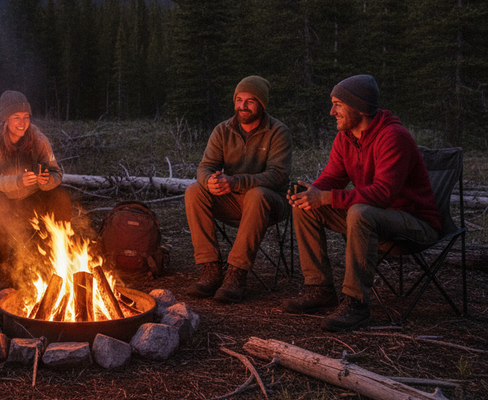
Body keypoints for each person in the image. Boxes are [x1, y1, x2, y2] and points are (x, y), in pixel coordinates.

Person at [284, 75, 441, 332]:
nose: (332, 112)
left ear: (359, 107)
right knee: (306, 208)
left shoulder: (393, 136)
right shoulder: (345, 138)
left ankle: (356, 304)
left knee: (359, 212)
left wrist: (326, 197)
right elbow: (333, 177)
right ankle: (319, 288)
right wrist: (312, 193)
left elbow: (383, 194)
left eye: (338, 105)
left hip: (415, 223)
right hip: (376, 219)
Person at [184, 76, 292, 303]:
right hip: (234, 201)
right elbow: (206, 166)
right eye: (239, 100)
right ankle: (210, 269)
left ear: (262, 104)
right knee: (194, 191)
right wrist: (209, 181)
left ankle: (236, 274)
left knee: (257, 194)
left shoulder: (278, 132)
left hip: (271, 203)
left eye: (250, 101)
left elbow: (278, 175)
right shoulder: (223, 130)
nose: (243, 106)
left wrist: (236, 182)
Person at [0, 90, 72, 290]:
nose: (22, 123)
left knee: (60, 196)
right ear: (5, 119)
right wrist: (16, 181)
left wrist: (45, 181)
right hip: (2, 201)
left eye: (26, 117)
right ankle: (1, 269)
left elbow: (56, 173)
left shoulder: (38, 139)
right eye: (16, 117)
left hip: (31, 199)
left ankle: (57, 257)